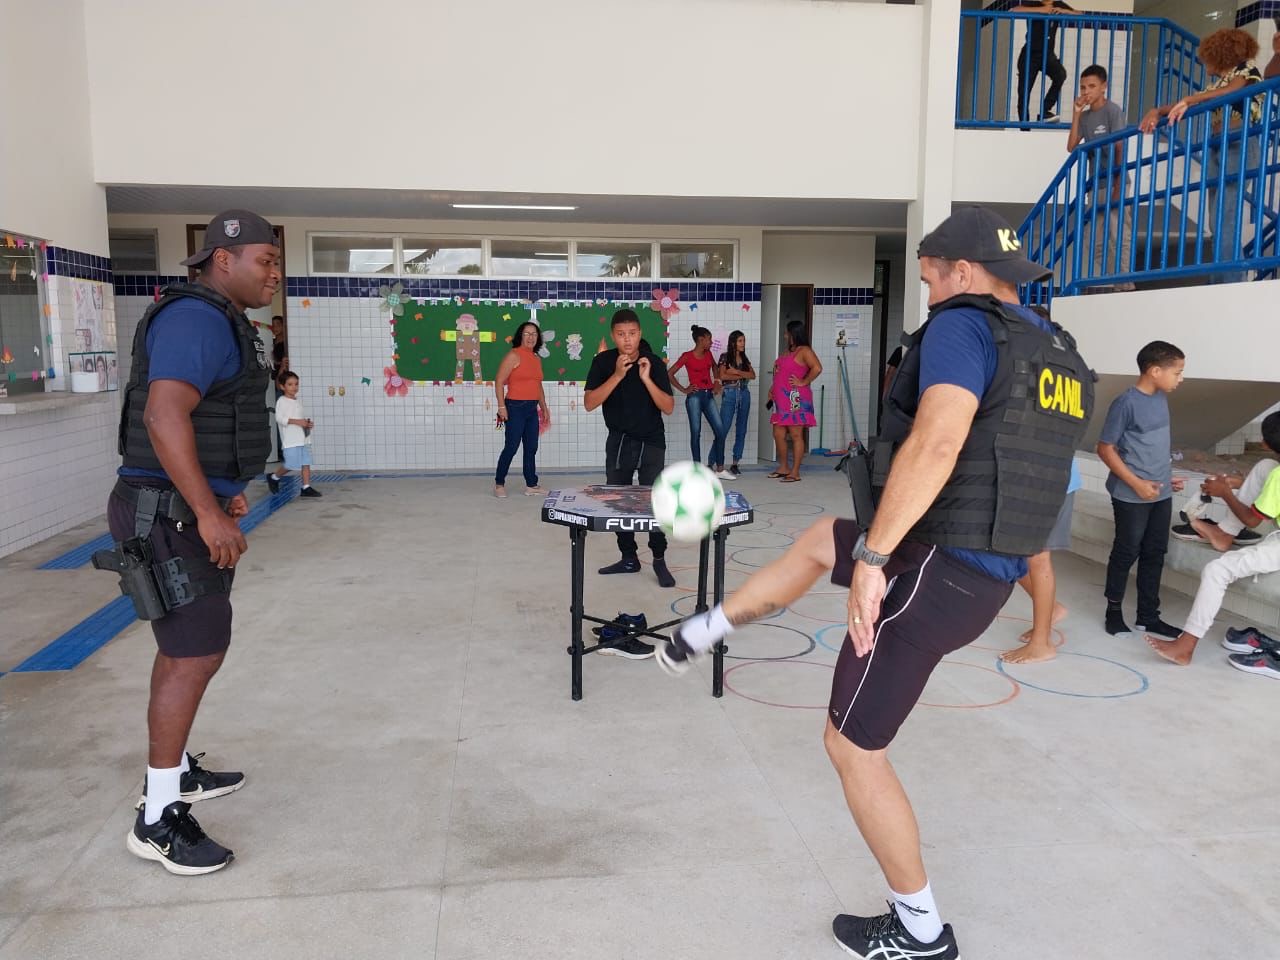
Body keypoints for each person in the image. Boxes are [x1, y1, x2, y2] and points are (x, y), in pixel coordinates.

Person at [657, 206, 1092, 958]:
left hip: (935, 571)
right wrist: (861, 550)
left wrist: (875, 561)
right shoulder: (1053, 347)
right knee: (823, 537)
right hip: (977, 570)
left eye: (929, 277)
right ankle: (709, 627)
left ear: (963, 272)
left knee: (852, 747)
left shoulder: (965, 324)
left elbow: (941, 437)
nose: (927, 290)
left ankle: (922, 929)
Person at [108, 209, 279, 875]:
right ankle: (157, 818)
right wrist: (207, 510)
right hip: (168, 517)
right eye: (263, 260)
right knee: (193, 655)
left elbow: (205, 417)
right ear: (221, 260)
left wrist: (218, 485)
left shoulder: (216, 318)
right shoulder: (196, 318)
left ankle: (173, 771)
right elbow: (162, 413)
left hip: (176, 507)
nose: (271, 274)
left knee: (187, 650)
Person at [1147, 413, 1280, 673]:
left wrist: (1225, 493)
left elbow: (1252, 520)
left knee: (1217, 570)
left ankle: (1185, 646)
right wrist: (1235, 483)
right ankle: (1224, 533)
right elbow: (1270, 483)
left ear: (1265, 442)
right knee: (1264, 467)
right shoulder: (1273, 471)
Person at [1140, 28, 1265, 284]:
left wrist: (1190, 98)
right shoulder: (1219, 82)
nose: (1202, 60)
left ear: (1220, 53)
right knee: (1215, 218)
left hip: (1239, 143)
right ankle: (1223, 278)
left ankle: (1229, 282)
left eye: (1206, 55)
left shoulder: (1245, 70)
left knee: (1225, 216)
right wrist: (1157, 111)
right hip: (1217, 145)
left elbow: (1233, 91)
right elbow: (1197, 101)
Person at [584, 309, 677, 614]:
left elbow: (668, 407)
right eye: (621, 334)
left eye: (633, 333)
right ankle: (629, 557)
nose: (628, 340)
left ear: (639, 333)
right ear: (614, 335)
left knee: (655, 502)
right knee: (619, 503)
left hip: (651, 441)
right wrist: (618, 374)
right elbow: (589, 403)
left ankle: (659, 559)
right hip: (620, 441)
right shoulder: (602, 362)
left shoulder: (655, 362)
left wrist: (647, 378)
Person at [1096, 340, 1186, 639]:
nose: (1180, 378)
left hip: (1160, 492)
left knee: (1155, 553)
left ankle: (1148, 616)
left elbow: (1152, 447)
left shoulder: (1161, 398)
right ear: (1155, 370)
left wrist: (1166, 476)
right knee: (1126, 551)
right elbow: (1105, 448)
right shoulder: (1126, 403)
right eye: (1177, 372)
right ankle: (1113, 612)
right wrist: (1136, 483)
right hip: (1130, 494)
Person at [1067, 64, 1135, 292]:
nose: (1087, 91)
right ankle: (1115, 279)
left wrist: (1117, 184)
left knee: (1118, 234)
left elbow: (1119, 148)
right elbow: (1071, 145)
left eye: (1092, 86)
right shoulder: (1086, 117)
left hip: (1115, 181)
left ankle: (1124, 285)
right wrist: (1076, 113)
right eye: (1083, 87)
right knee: (1093, 240)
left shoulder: (1112, 111)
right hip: (1096, 184)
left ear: (1104, 87)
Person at [668, 324, 733, 480]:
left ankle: (720, 469)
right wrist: (684, 389)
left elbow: (715, 369)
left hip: (708, 396)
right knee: (695, 433)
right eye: (709, 339)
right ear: (701, 339)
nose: (711, 342)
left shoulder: (709, 354)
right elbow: (670, 373)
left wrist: (717, 382)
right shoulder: (687, 356)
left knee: (720, 431)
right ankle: (697, 470)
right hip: (695, 398)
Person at [493, 320, 550, 499]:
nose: (531, 337)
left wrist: (544, 407)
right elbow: (499, 381)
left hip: (532, 409)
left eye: (534, 334)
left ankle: (531, 484)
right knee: (511, 447)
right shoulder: (514, 355)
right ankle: (499, 483)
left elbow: (537, 385)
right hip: (514, 407)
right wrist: (501, 407)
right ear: (521, 336)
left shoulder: (536, 358)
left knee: (531, 447)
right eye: (527, 334)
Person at [767, 319, 821, 483]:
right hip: (781, 399)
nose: (784, 335)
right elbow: (779, 374)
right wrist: (772, 389)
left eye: (786, 332)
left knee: (796, 434)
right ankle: (783, 467)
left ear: (793, 333)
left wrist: (803, 382)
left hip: (795, 398)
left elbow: (817, 368)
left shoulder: (804, 351)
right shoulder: (787, 352)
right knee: (778, 433)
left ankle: (795, 472)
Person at [1010, 0, 1075, 124]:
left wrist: (1064, 11)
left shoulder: (1058, 5)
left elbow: (1080, 14)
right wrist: (1042, 10)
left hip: (1047, 54)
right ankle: (1024, 128)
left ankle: (1045, 111)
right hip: (1030, 53)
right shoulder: (1033, 3)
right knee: (1024, 93)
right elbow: (1015, 10)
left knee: (1060, 74)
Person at [266, 370, 322, 498]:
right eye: (290, 384)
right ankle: (274, 477)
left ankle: (306, 487)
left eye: (296, 384)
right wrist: (298, 422)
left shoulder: (298, 401)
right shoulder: (282, 401)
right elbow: (280, 418)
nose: (294, 387)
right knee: (290, 464)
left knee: (305, 462)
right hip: (291, 440)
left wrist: (307, 424)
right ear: (282, 386)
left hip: (303, 439)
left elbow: (300, 419)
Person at [717, 330, 755, 476]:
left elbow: (752, 375)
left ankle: (735, 462)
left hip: (744, 393)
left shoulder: (745, 359)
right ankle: (713, 461)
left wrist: (735, 372)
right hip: (730, 393)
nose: (743, 344)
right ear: (733, 342)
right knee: (723, 429)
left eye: (744, 341)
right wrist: (736, 373)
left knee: (742, 428)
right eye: (740, 341)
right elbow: (722, 375)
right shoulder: (724, 357)